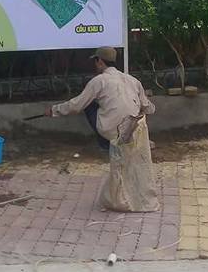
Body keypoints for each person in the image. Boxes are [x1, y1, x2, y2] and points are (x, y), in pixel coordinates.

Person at [46, 47, 159, 212]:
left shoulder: (98, 81)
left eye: (95, 61)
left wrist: (54, 110)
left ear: (99, 61)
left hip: (113, 131)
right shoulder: (132, 80)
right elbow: (148, 107)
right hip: (135, 129)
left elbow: (77, 105)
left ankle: (105, 143)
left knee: (89, 105)